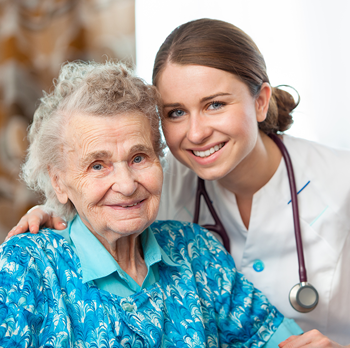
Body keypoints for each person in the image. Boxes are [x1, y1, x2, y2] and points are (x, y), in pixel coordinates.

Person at [8, 19, 350, 346]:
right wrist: (57, 207)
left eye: (139, 157)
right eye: (175, 112)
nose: (197, 133)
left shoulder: (194, 248)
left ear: (260, 101)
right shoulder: (27, 269)